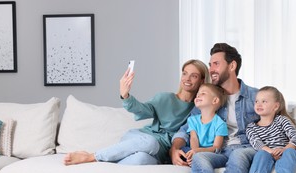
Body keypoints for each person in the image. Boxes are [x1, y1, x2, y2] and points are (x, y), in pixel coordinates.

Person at [170, 43, 259, 173]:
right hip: (217, 150)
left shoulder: (255, 96)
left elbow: (277, 122)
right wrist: (174, 149)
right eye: (210, 64)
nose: (211, 69)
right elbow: (185, 128)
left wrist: (294, 146)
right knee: (199, 157)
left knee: (238, 156)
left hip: (244, 148)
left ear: (232, 66)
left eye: (216, 64)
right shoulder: (209, 96)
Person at [63, 59, 209, 166]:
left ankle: (101, 164)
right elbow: (141, 109)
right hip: (142, 139)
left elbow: (186, 133)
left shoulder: (198, 110)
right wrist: (125, 95)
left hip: (158, 152)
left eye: (194, 76)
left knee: (142, 161)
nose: (187, 79)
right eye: (185, 73)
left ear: (202, 80)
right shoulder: (165, 98)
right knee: (151, 143)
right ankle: (91, 156)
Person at [239, 86, 296, 173]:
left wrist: (285, 149)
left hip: (286, 154)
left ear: (276, 106)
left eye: (264, 101)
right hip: (268, 154)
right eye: (257, 101)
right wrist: (271, 152)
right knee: (260, 154)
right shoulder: (251, 127)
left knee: (290, 152)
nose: (259, 104)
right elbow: (256, 143)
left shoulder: (281, 120)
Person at [181, 83, 228, 165]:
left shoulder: (220, 124)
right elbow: (194, 138)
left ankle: (196, 161)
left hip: (211, 152)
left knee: (219, 157)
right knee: (183, 150)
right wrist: (194, 152)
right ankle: (192, 161)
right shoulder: (192, 120)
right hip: (195, 149)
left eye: (203, 93)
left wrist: (198, 151)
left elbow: (216, 147)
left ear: (215, 100)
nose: (198, 96)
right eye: (197, 94)